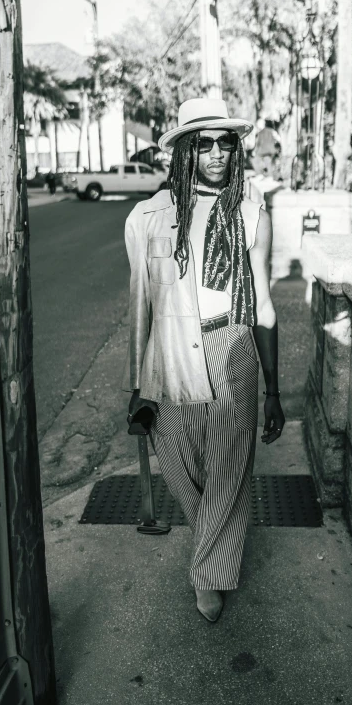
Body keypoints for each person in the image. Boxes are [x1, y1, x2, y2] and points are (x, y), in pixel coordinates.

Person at [122, 98, 285, 623]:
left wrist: (275, 391)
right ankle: (214, 535)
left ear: (237, 149)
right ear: (186, 150)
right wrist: (138, 384)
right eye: (205, 143)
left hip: (233, 343)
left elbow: (261, 300)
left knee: (230, 467)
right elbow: (141, 306)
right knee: (178, 460)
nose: (217, 153)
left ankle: (209, 573)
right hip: (172, 348)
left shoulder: (252, 210)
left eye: (226, 142)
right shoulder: (148, 217)